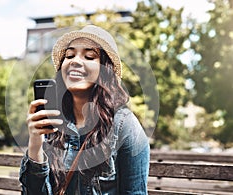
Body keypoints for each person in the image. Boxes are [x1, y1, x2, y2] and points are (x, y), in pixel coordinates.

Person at [19, 25, 150, 195]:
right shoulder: (51, 122)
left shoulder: (124, 125)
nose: (75, 61)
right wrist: (35, 145)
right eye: (69, 55)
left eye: (89, 56)